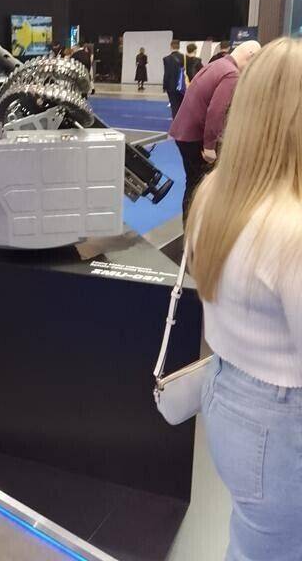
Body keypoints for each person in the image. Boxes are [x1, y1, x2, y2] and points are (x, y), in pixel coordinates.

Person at [187, 37, 302, 561]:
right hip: (279, 423)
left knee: (253, 541)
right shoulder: (290, 226)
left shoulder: (215, 194)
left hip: (226, 391)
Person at [170, 40, 261, 222]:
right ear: (250, 56)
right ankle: (198, 226)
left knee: (193, 182)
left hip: (184, 133)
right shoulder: (231, 74)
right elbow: (216, 111)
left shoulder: (218, 64)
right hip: (195, 138)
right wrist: (210, 146)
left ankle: (191, 226)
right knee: (200, 185)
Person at [163, 40, 185, 118]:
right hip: (181, 85)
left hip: (171, 86)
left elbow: (167, 73)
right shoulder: (184, 57)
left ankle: (175, 120)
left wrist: (165, 86)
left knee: (174, 105)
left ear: (171, 47)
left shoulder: (166, 59)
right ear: (179, 47)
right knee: (181, 105)